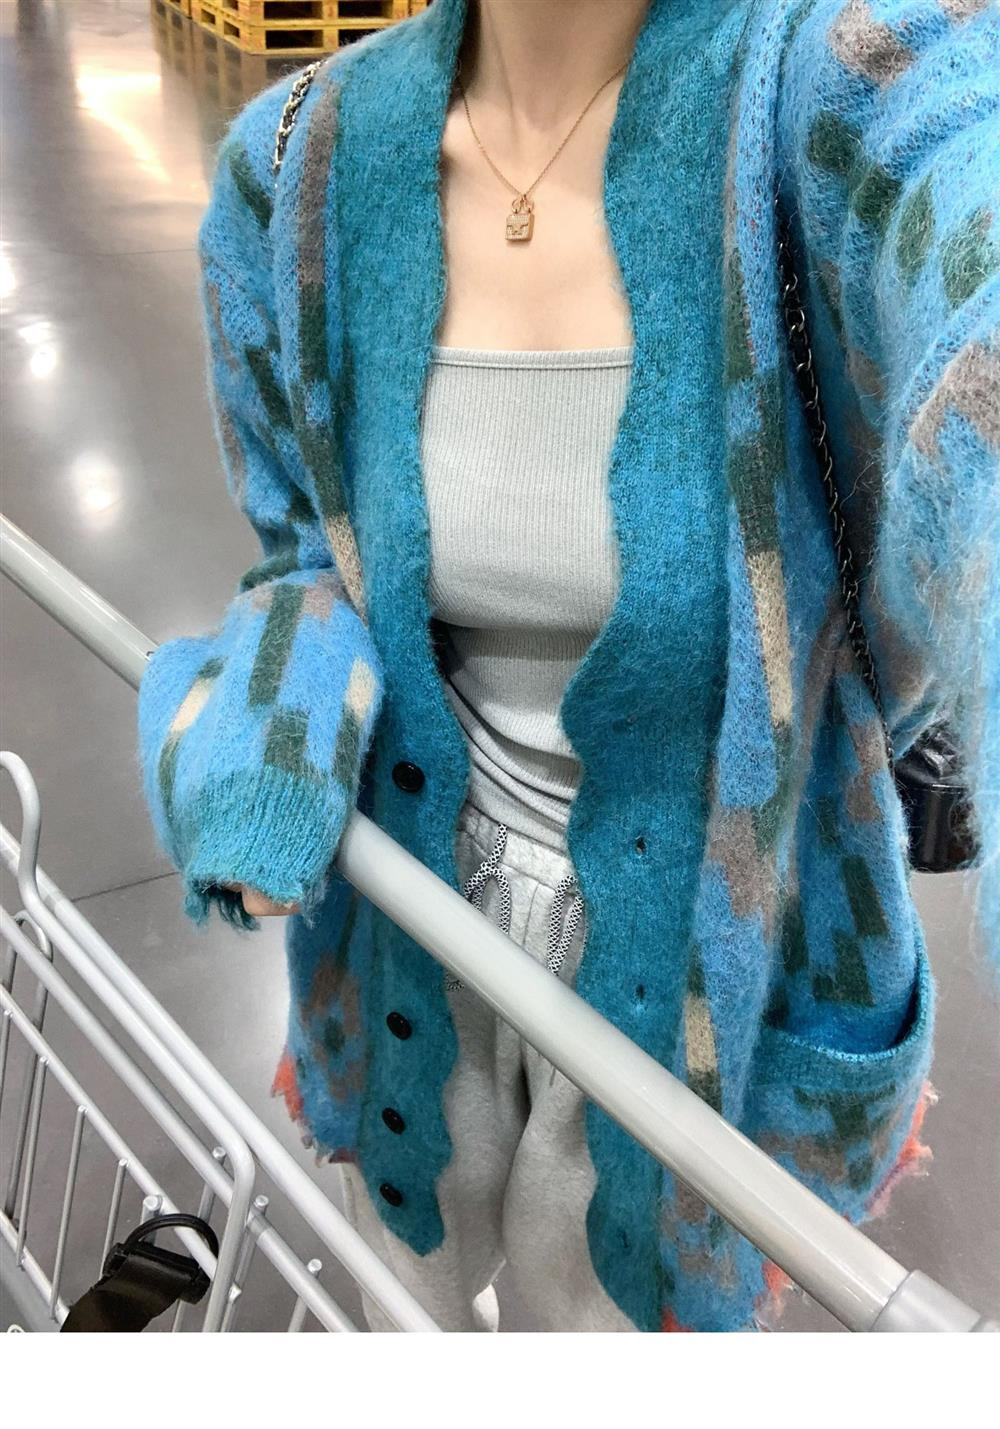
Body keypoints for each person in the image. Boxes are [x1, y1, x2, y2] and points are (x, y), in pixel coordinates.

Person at [136, 0, 1000, 1331]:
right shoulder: (292, 166)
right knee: (399, 1314)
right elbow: (307, 554)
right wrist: (267, 731)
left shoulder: (847, 96)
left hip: (708, 988)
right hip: (402, 933)